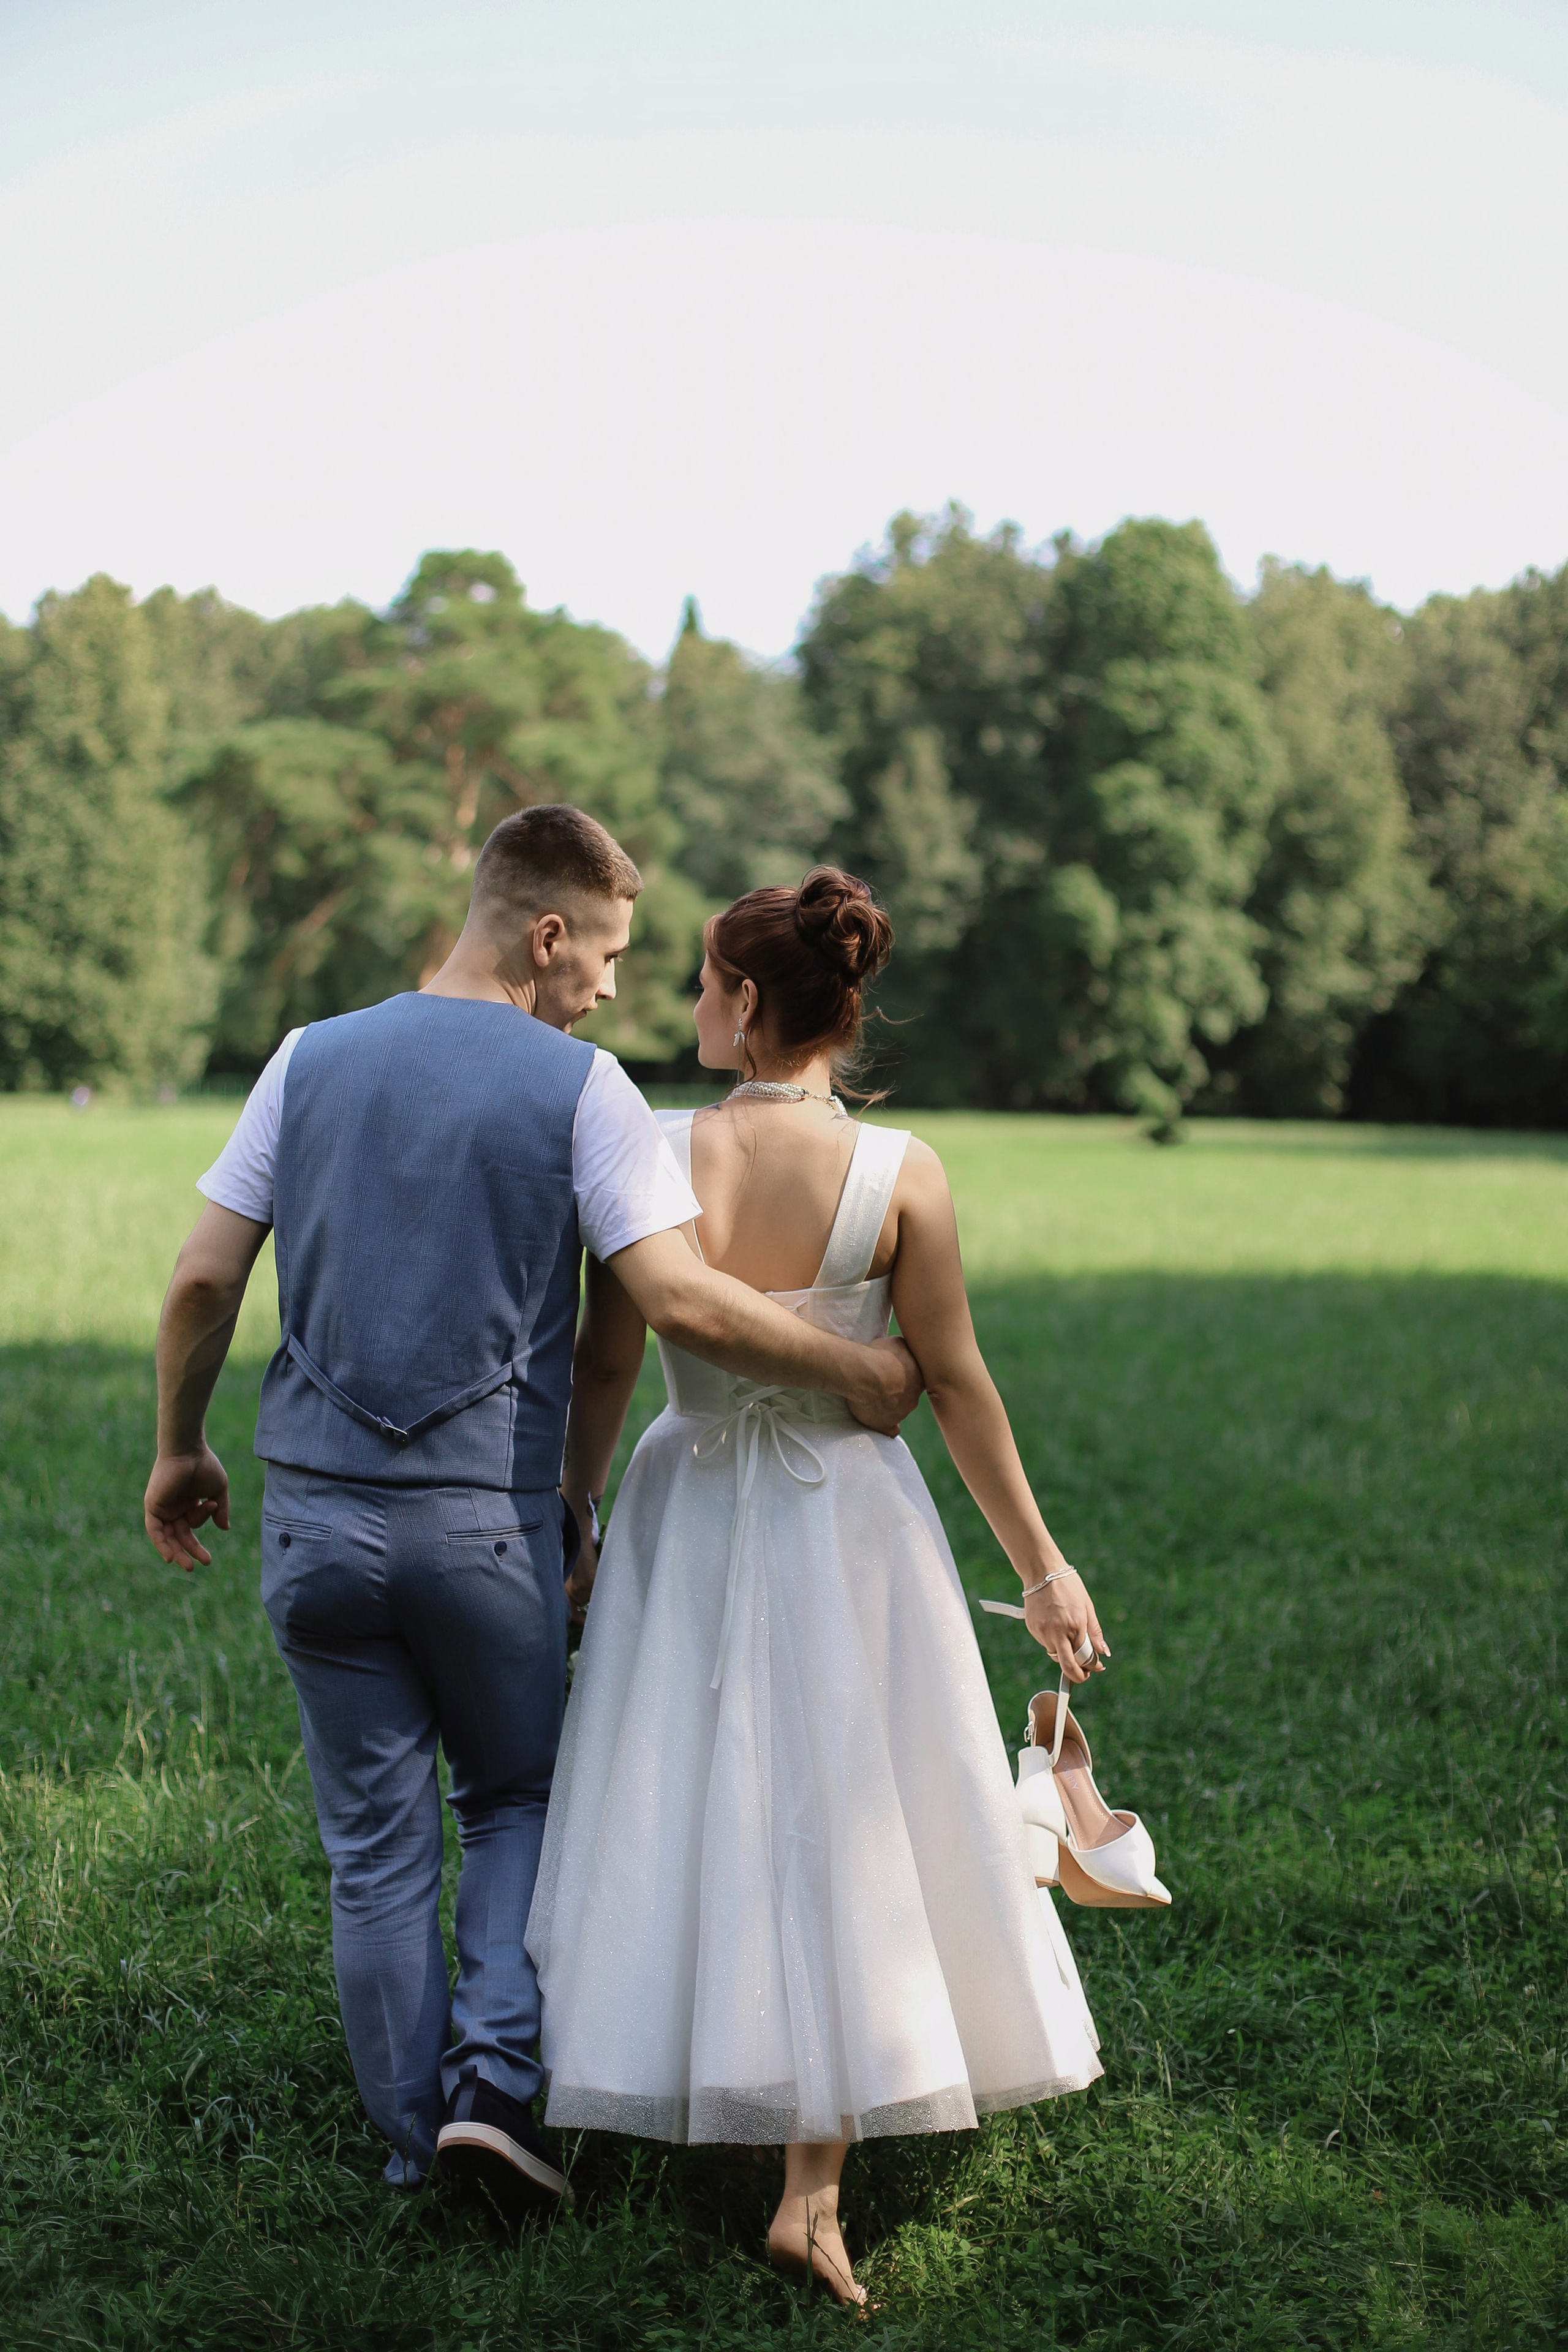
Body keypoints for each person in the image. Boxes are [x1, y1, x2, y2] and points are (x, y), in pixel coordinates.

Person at [143, 808, 922, 2211]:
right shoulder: (584, 1093)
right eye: (610, 953)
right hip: (482, 1530)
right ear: (545, 934)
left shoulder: (304, 1060)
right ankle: (493, 2090)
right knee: (511, 1800)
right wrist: (862, 1366)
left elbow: (202, 1281)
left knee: (372, 1848)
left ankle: (403, 2141)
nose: (616, 987)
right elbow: (677, 1301)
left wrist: (178, 1446)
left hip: (315, 1523)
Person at [528, 867, 1107, 2307]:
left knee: (694, 1787)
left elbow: (608, 1362)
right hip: (853, 1519)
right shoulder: (900, 1170)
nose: (690, 1005)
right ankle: (811, 2187)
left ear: (740, 1000)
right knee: (848, 1811)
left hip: (686, 1497)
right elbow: (955, 1382)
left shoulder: (652, 1147)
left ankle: (677, 2054)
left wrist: (575, 1510)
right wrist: (1041, 1567)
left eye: (704, 984)